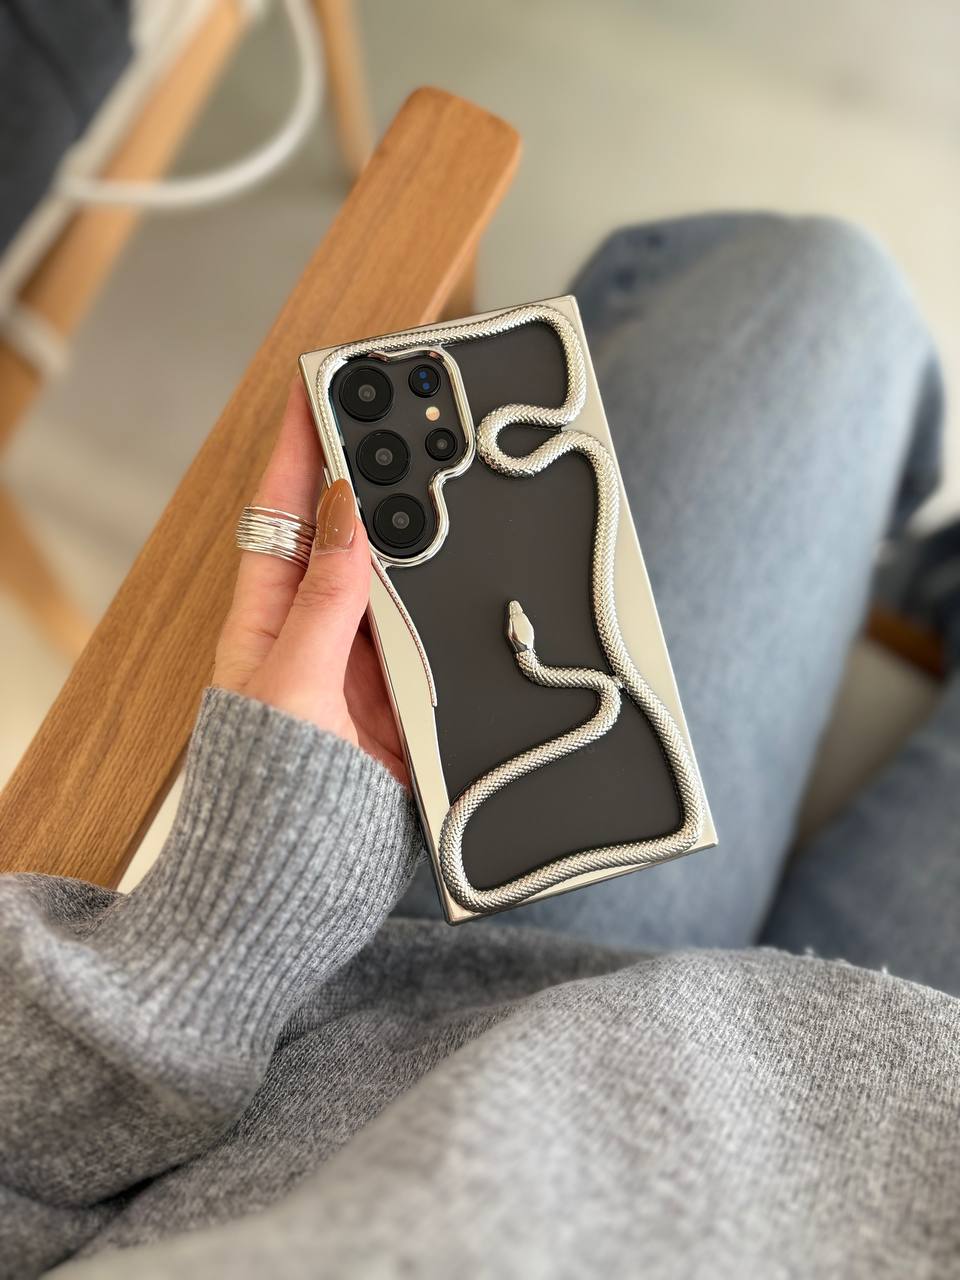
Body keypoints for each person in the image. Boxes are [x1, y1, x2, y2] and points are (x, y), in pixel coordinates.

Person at [2, 213, 957, 1280]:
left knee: (814, 290)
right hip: (910, 1083)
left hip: (481, 1021)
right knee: (826, 299)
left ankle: (902, 582)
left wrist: (237, 913)